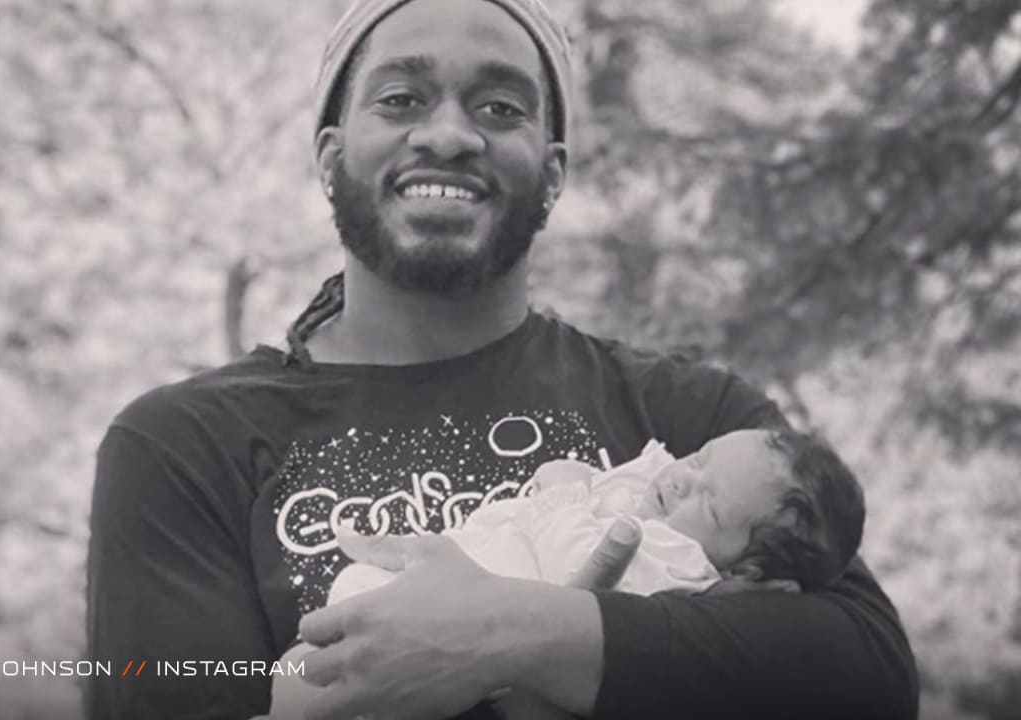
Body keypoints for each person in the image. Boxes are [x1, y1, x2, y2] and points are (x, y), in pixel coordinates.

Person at [84, 0, 919, 718]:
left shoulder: (694, 418)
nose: (447, 136)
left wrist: (512, 634)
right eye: (403, 97)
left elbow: (867, 673)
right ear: (332, 154)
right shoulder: (182, 445)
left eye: (500, 109)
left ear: (552, 173)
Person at [266, 428, 867, 718]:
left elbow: (573, 570)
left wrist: (563, 493)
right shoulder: (662, 502)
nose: (682, 477)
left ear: (751, 572)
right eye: (698, 457)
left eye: (708, 502)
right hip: (386, 610)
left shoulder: (676, 566)